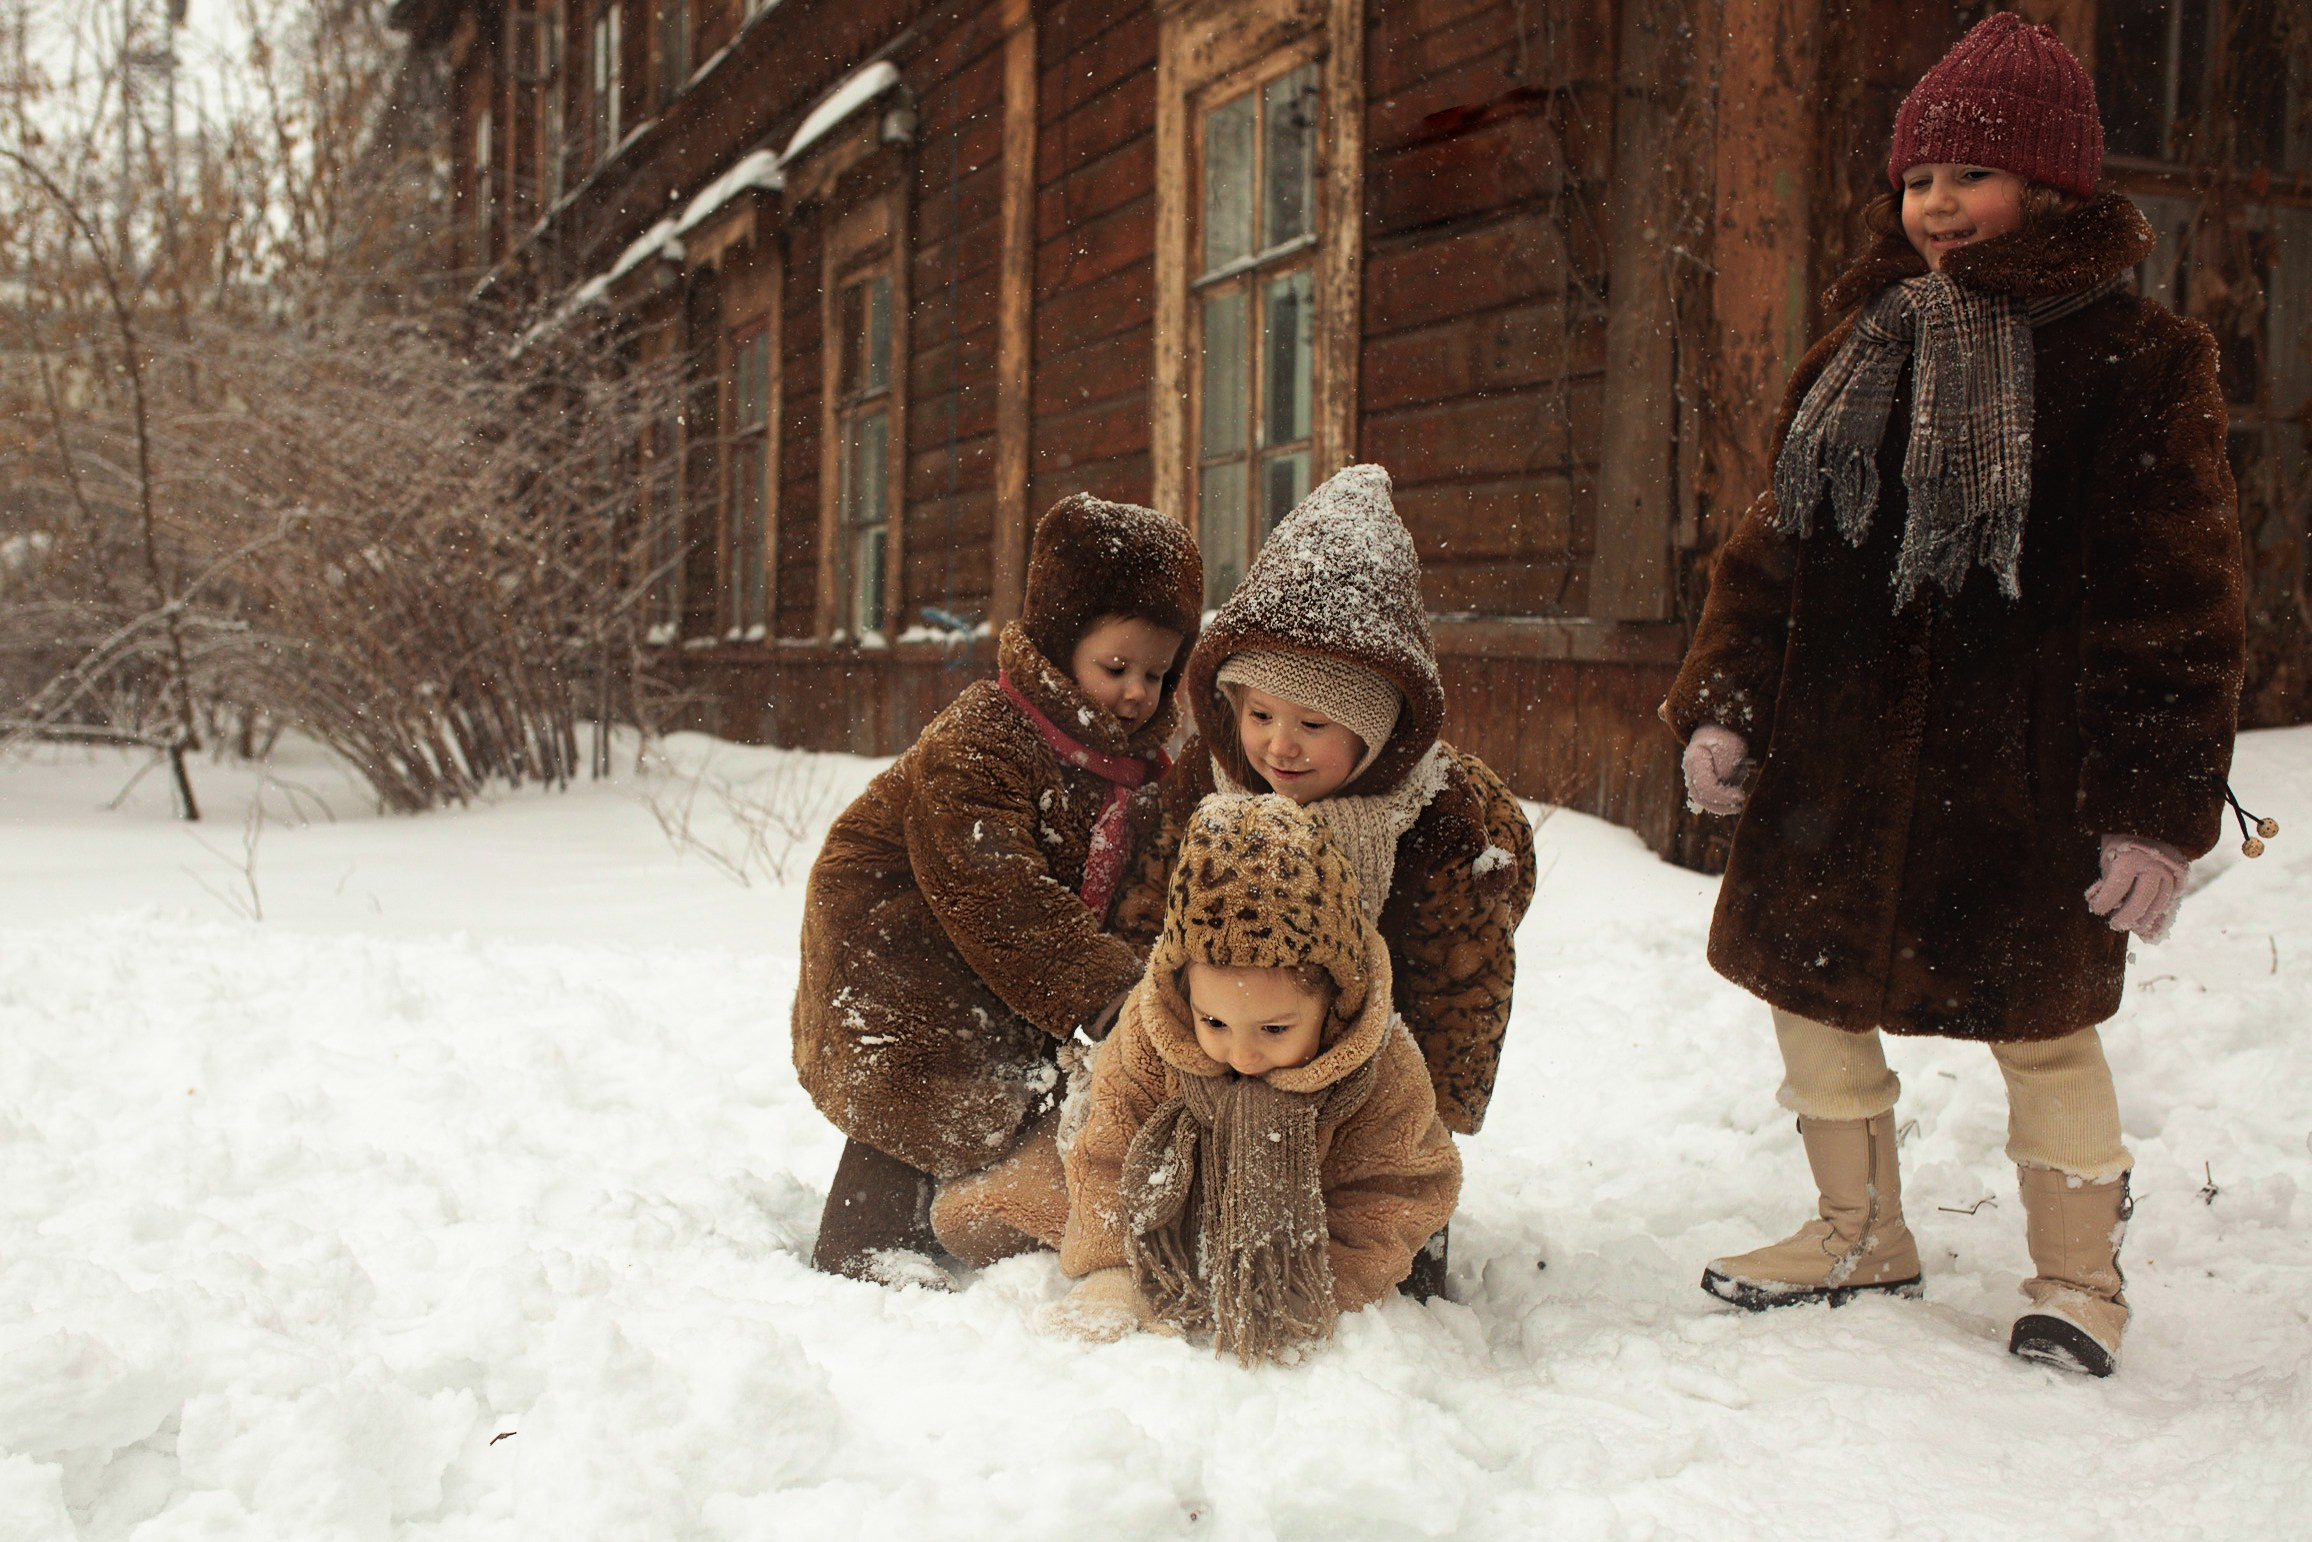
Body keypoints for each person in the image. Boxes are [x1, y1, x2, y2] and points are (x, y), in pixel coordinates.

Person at [1663, 13, 2245, 1377]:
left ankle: (2076, 1275)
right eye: (1918, 178)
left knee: (2042, 1027)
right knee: (1808, 989)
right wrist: (1727, 702)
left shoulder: (2142, 362)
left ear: (2051, 190)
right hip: (1838, 764)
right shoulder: (1862, 341)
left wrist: (2152, 808)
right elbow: (1772, 550)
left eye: (1967, 176)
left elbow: (2180, 598)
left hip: (2024, 771)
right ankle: (1858, 1225)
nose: (1933, 203)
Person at [1113, 462, 1536, 1301]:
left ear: (1377, 731)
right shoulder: (1207, 783)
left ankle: (1390, 1242)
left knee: (1388, 1217)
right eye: (1259, 714)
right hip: (1230, 1043)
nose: (1279, 746)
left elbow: (1464, 976)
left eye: (1315, 724)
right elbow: (1152, 915)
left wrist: (1437, 1113)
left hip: (1383, 1083)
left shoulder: (1434, 821)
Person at [793, 493, 1202, 1285]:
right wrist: (1105, 990)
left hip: (1008, 958)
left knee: (1010, 1079)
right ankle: (861, 1242)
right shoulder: (985, 736)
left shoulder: (1142, 769)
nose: (1136, 693)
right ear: (1059, 646)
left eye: (1157, 674)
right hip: (895, 936)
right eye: (1115, 667)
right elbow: (993, 885)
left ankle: (967, 1206)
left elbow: (1147, 888)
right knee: (915, 1078)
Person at [1050, 794, 1461, 1360]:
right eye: (1214, 1022)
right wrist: (1114, 1270)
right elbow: (1107, 1156)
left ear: (1332, 1003)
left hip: (1314, 1240)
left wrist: (1314, 1286)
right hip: (1175, 1223)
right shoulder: (1149, 1036)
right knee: (1003, 1206)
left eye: (1273, 1029)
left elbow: (1395, 1191)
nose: (1240, 1056)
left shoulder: (1379, 1068)